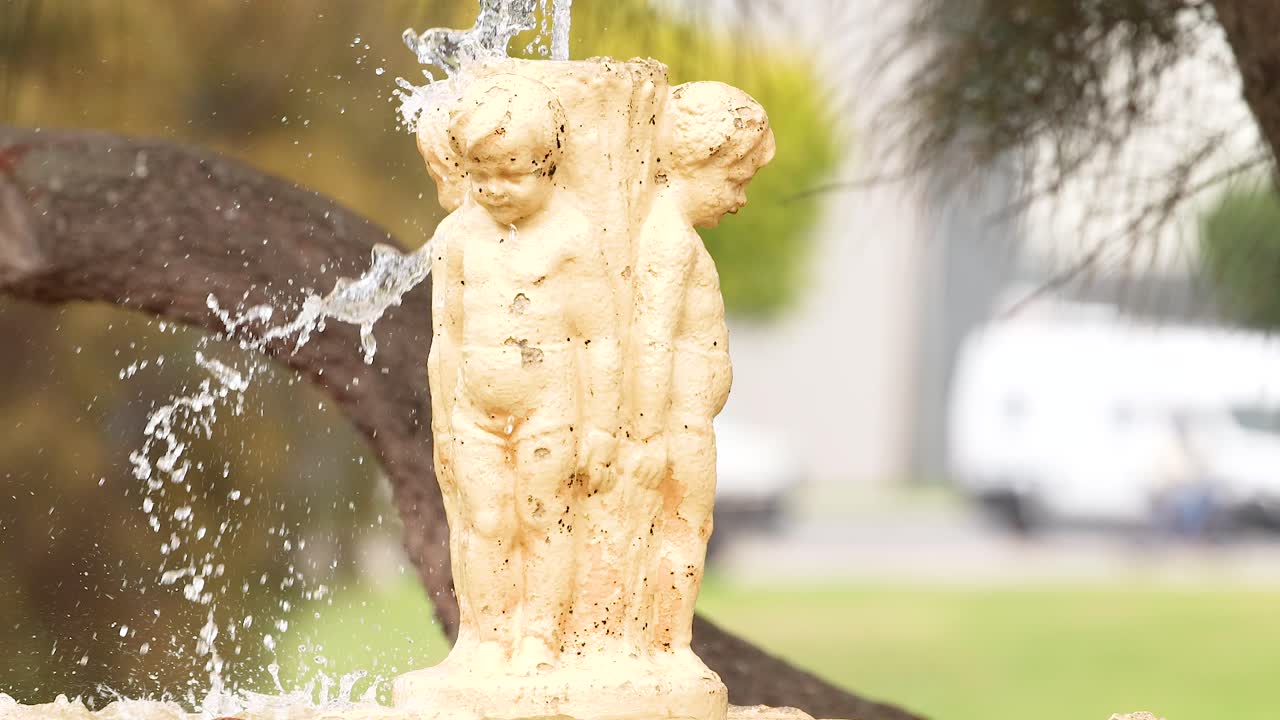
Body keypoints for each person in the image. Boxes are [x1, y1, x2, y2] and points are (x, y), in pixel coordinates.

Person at [437, 73, 622, 671]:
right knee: (484, 519)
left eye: (513, 172)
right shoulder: (458, 237)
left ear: (550, 163)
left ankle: (542, 634)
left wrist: (600, 429)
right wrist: (443, 420)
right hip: (473, 410)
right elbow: (448, 336)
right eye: (479, 175)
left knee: (546, 517)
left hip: (550, 408)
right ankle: (490, 638)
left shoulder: (571, 235)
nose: (494, 188)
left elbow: (598, 338)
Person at [627, 81, 775, 663]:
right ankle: (667, 644)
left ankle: (667, 641)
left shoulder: (674, 238)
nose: (739, 200)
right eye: (736, 181)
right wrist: (643, 433)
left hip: (685, 419)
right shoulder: (669, 242)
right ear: (702, 162)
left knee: (686, 530)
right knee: (681, 532)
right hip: (672, 424)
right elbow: (653, 337)